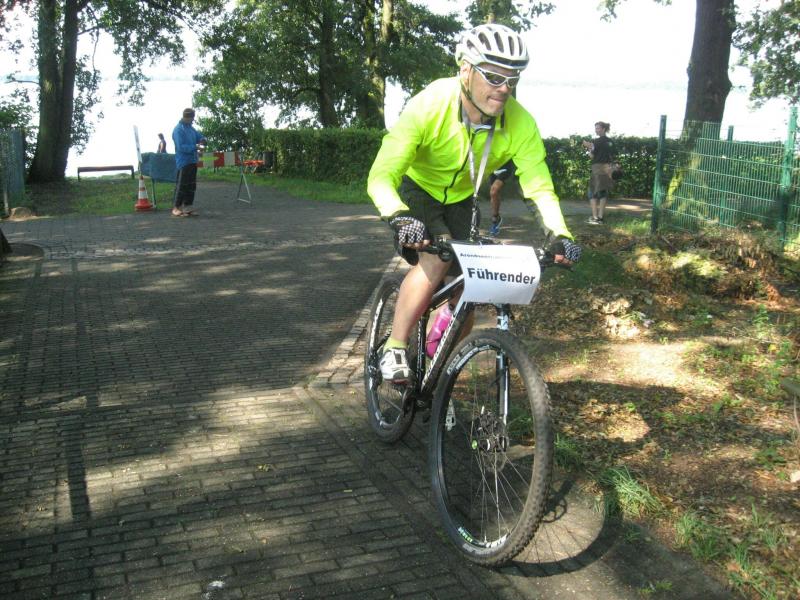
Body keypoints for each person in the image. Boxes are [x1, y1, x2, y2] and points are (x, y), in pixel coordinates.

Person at [367, 23, 580, 383]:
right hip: (418, 189)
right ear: (465, 70)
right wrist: (398, 215)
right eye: (494, 77)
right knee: (436, 260)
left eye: (512, 79)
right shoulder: (430, 105)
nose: (504, 88)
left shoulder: (521, 123)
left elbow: (539, 186)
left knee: (470, 282)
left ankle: (437, 371)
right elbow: (381, 175)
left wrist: (560, 234)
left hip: (463, 197)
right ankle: (395, 346)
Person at [171, 108, 206, 217]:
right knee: (182, 185)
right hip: (183, 162)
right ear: (187, 117)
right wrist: (195, 147)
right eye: (192, 118)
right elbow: (181, 147)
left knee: (191, 186)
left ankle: (187, 206)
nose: (192, 120)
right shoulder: (178, 129)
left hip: (193, 160)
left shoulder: (191, 128)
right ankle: (176, 207)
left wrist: (203, 140)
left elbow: (199, 136)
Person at [581, 121, 615, 225]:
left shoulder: (596, 142)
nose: (596, 130)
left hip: (597, 168)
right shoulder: (610, 141)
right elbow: (613, 155)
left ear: (603, 129)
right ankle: (600, 217)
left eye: (598, 128)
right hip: (607, 168)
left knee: (592, 193)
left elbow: (592, 156)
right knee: (603, 192)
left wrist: (588, 147)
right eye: (595, 128)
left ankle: (595, 218)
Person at [488, 159, 515, 236]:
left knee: (494, 191)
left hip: (505, 166)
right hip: (492, 167)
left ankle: (494, 220)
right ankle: (496, 217)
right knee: (494, 194)